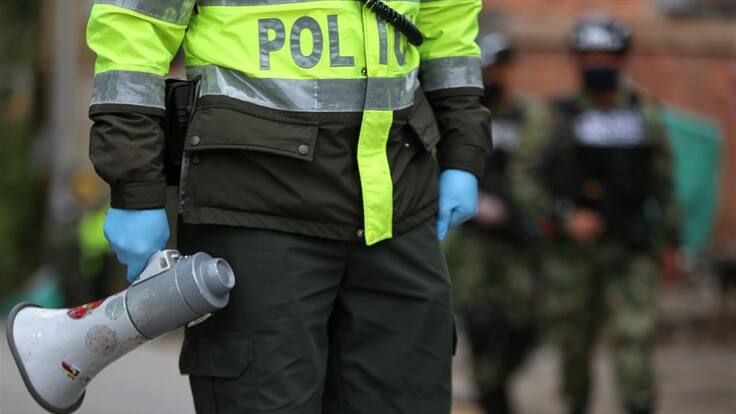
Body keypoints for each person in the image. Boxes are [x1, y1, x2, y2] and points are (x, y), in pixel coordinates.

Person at [85, 1, 491, 413]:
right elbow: (134, 28)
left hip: (397, 203)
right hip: (254, 208)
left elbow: (448, 17)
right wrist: (135, 186)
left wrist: (464, 146)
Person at [510, 16, 680, 414]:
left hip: (629, 248)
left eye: (605, 55)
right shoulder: (553, 117)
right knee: (572, 347)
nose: (596, 64)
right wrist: (563, 217)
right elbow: (524, 177)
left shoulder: (645, 115)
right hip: (570, 256)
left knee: (634, 341)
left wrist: (671, 243)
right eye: (588, 56)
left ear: (621, 59)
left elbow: (664, 184)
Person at [444, 32, 547, 414]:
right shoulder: (460, 117)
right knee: (479, 323)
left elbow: (542, 170)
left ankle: (496, 386)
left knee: (525, 324)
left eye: (495, 68)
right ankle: (493, 397)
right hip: (472, 240)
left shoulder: (531, 117)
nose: (490, 76)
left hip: (519, 238)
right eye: (483, 68)